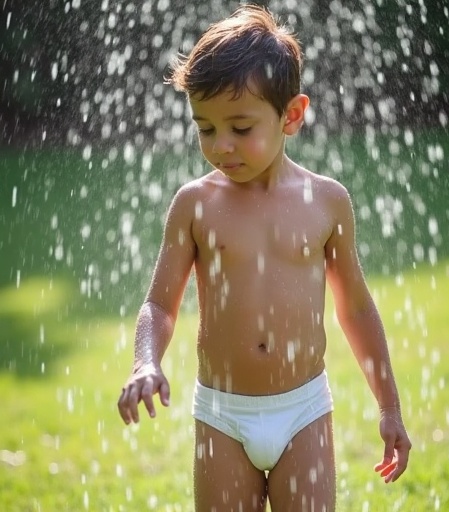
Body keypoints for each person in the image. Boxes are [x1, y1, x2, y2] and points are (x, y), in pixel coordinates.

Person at [117, 4, 411, 511]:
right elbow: (159, 307)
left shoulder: (326, 202)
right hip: (223, 415)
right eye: (205, 129)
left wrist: (389, 407)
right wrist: (146, 360)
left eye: (239, 127)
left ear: (291, 115)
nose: (221, 146)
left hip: (303, 410)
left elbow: (356, 308)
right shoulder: (195, 205)